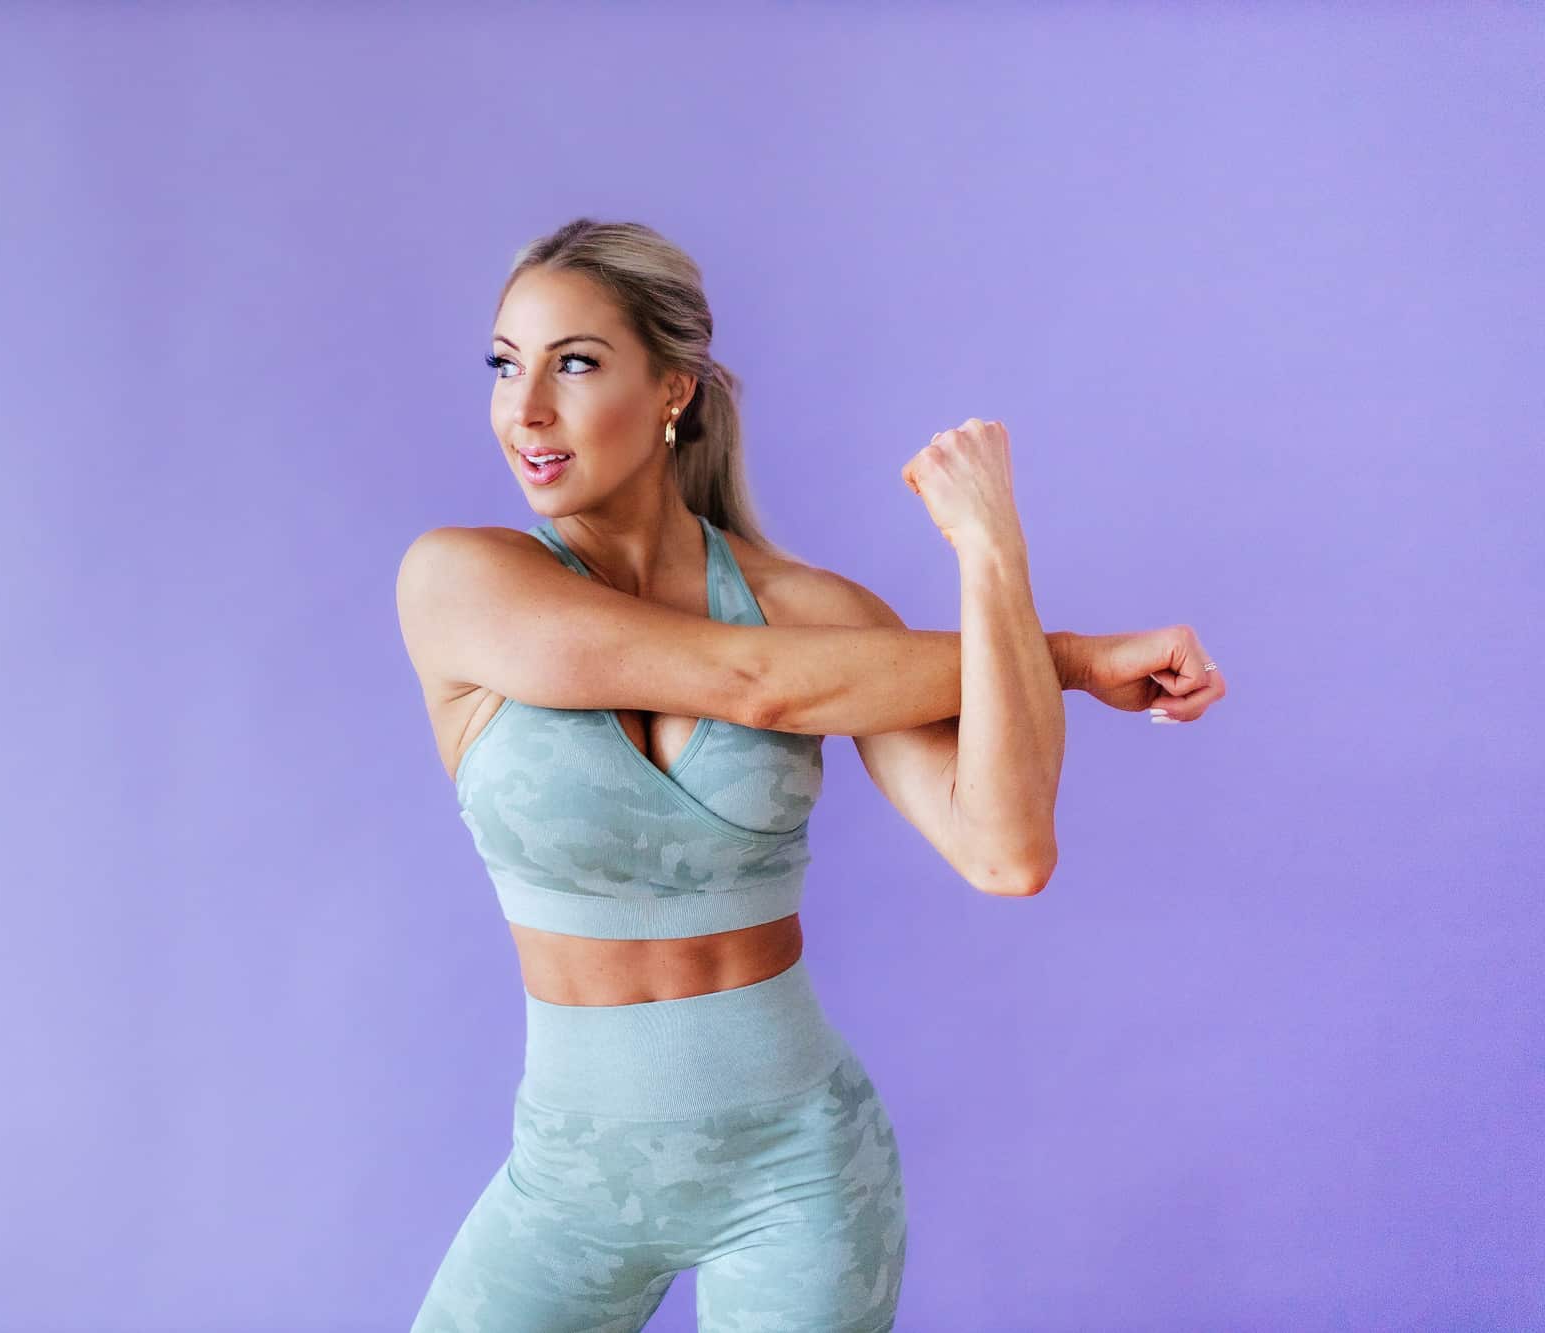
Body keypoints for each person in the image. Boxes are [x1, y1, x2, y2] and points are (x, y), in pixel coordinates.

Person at [394, 218, 1226, 1332]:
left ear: (673, 390)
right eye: (504, 364)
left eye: (574, 362)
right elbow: (748, 683)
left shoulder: (821, 618)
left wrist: (990, 553)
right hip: (568, 1188)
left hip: (798, 1175)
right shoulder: (461, 583)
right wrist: (1067, 659)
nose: (524, 407)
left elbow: (1005, 848)